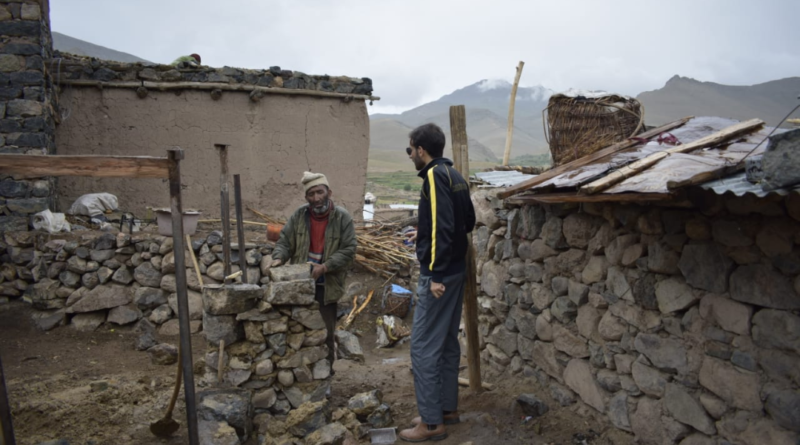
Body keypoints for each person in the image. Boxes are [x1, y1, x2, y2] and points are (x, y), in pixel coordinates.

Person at [399, 123, 476, 442]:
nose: (410, 155)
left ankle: (431, 424)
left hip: (439, 275)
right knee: (445, 341)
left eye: (410, 149)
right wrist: (430, 235)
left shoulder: (433, 175)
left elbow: (443, 226)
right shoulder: (454, 175)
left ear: (421, 149)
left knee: (422, 346)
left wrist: (436, 274)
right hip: (456, 270)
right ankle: (446, 409)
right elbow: (467, 222)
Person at [270, 172, 357, 371]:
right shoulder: (299, 215)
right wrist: (278, 258)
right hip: (301, 284)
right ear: (306, 197)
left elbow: (349, 250)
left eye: (319, 192)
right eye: (311, 194)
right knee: (298, 331)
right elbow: (285, 241)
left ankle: (326, 374)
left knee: (326, 332)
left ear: (329, 192)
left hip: (327, 285)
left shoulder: (342, 217)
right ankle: (302, 374)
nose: (316, 198)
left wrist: (325, 267)